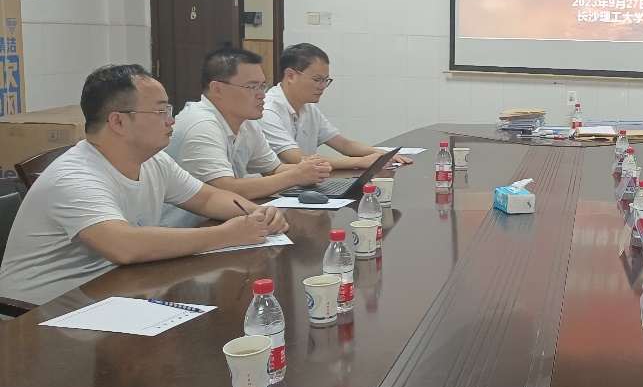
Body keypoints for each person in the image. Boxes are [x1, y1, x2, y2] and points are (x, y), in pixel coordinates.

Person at [0, 64, 289, 305]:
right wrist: (226, 234)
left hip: (114, 290)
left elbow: (207, 198)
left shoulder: (153, 161)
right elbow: (125, 245)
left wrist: (257, 214)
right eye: (160, 112)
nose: (171, 121)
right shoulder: (74, 176)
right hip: (41, 313)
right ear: (118, 122)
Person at [162, 48, 331, 225]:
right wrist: (295, 176)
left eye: (262, 86)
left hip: (224, 221)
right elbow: (226, 189)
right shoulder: (201, 124)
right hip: (181, 229)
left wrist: (309, 170)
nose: (262, 95)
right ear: (218, 89)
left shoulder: (247, 122)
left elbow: (273, 169)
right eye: (251, 87)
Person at [261, 43, 412, 170]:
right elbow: (298, 159)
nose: (322, 86)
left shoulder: (307, 107)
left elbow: (344, 145)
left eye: (325, 80)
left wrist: (381, 155)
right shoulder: (268, 110)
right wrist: (360, 162)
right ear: (290, 75)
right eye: (317, 80)